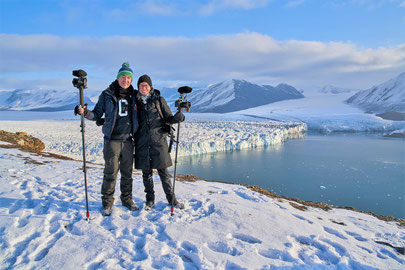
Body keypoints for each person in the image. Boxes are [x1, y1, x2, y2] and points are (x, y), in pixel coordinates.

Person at [77, 62, 139, 216]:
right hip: (112, 140)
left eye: (128, 78)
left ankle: (127, 199)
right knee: (110, 172)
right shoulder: (107, 94)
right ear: (118, 78)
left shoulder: (134, 95)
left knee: (127, 173)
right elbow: (97, 114)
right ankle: (107, 202)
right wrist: (85, 113)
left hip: (128, 140)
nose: (126, 80)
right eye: (123, 77)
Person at [134, 74, 185, 210]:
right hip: (142, 142)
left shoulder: (158, 100)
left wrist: (178, 117)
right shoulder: (135, 102)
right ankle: (150, 200)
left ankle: (172, 199)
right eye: (141, 85)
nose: (143, 88)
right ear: (138, 87)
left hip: (158, 141)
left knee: (164, 173)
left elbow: (168, 117)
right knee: (147, 174)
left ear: (150, 87)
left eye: (146, 85)